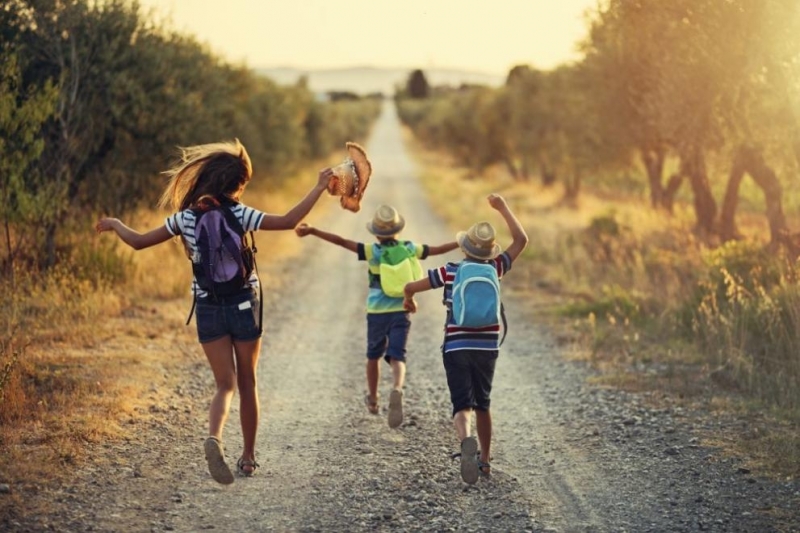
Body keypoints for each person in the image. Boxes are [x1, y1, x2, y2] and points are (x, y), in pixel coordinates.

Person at [95, 139, 333, 485]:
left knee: (225, 385)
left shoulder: (186, 218)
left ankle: (215, 437)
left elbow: (139, 241)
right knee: (248, 382)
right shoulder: (240, 213)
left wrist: (116, 223)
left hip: (207, 306)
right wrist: (319, 187)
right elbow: (289, 220)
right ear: (236, 183)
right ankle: (249, 458)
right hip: (242, 302)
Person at [295, 204, 458, 428]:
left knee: (373, 355)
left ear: (376, 233)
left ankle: (373, 399)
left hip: (377, 312)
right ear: (398, 229)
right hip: (401, 309)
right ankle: (397, 388)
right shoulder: (410, 247)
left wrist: (313, 230)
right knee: (398, 356)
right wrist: (460, 242)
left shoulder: (373, 251)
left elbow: (341, 241)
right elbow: (438, 249)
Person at [402, 193, 528, 484]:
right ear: (489, 250)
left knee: (462, 404)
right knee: (483, 403)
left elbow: (412, 285)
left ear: (466, 246)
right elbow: (522, 240)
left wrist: (409, 298)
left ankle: (466, 442)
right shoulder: (496, 268)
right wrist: (503, 207)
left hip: (456, 345)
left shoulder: (450, 270)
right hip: (487, 346)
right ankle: (484, 461)